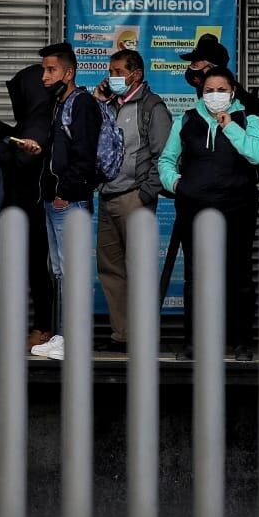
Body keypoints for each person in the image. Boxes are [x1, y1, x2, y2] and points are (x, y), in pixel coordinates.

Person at [158, 67, 259, 361]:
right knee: (196, 277)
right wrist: (176, 183)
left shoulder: (249, 119)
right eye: (210, 90)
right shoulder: (186, 119)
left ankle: (241, 342)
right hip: (195, 207)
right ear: (201, 92)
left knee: (239, 275)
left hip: (238, 207)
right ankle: (193, 342)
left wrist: (230, 126)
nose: (215, 95)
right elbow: (167, 159)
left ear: (233, 92)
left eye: (222, 90)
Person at [92, 49, 170, 352]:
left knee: (140, 269)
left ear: (135, 74)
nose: (112, 77)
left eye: (117, 72)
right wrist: (100, 100)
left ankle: (145, 337)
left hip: (134, 198)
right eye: (110, 71)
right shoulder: (109, 104)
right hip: (108, 195)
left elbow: (163, 155)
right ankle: (121, 335)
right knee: (111, 270)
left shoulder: (152, 107)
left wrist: (145, 192)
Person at [29, 42, 102, 362]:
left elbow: (85, 155)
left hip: (68, 202)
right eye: (44, 70)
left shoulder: (81, 102)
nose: (44, 76)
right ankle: (65, 335)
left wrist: (66, 192)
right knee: (62, 271)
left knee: (72, 271)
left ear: (68, 73)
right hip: (55, 199)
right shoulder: (59, 104)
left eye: (51, 70)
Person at [0, 64, 56, 351]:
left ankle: (42, 329)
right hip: (27, 208)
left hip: (32, 209)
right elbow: (22, 138)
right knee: (31, 270)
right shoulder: (37, 117)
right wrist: (4, 130)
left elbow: (22, 162)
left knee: (37, 271)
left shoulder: (39, 121)